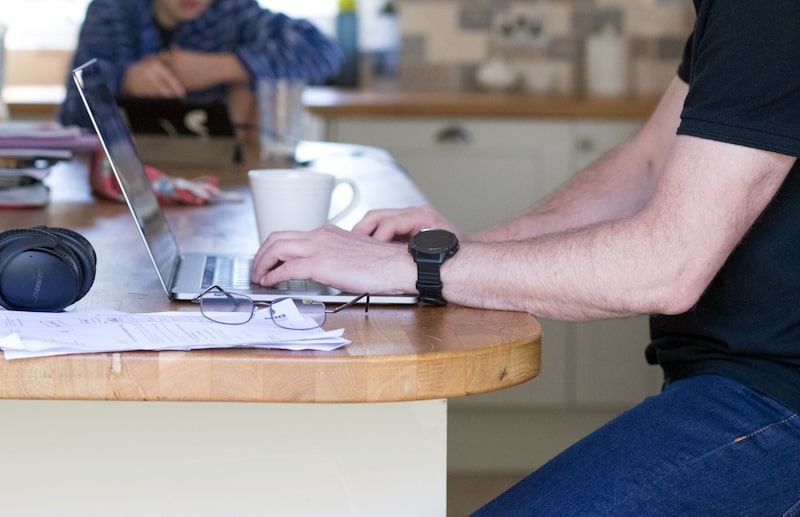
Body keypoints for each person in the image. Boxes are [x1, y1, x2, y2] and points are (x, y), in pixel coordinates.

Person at [249, 0, 800, 514]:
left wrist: (413, 268)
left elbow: (667, 267)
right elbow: (651, 161)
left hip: (775, 400)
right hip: (738, 382)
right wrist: (469, 252)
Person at [58, 0, 342, 135]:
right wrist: (125, 79)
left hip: (210, 175)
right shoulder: (111, 10)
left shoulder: (232, 12)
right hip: (122, 177)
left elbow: (324, 51)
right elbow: (73, 106)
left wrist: (226, 66)